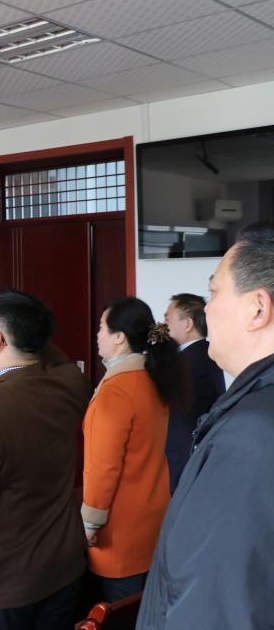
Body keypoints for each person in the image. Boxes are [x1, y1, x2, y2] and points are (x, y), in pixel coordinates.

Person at [138, 222, 274, 629]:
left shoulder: (252, 436)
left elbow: (215, 608)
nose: (207, 310)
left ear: (258, 308)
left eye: (214, 292)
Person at [0, 290, 91, 630]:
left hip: (7, 582)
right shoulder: (69, 384)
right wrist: (33, 335)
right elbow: (58, 359)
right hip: (63, 565)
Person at [82, 297, 185, 603]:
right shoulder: (151, 379)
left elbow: (104, 468)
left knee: (115, 613)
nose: (97, 335)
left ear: (119, 337)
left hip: (119, 530)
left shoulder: (116, 390)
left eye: (101, 327)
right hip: (152, 517)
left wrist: (90, 523)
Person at [162, 293, 225, 491]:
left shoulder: (189, 362)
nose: (163, 325)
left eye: (167, 319)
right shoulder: (202, 354)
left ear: (188, 324)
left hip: (181, 457)